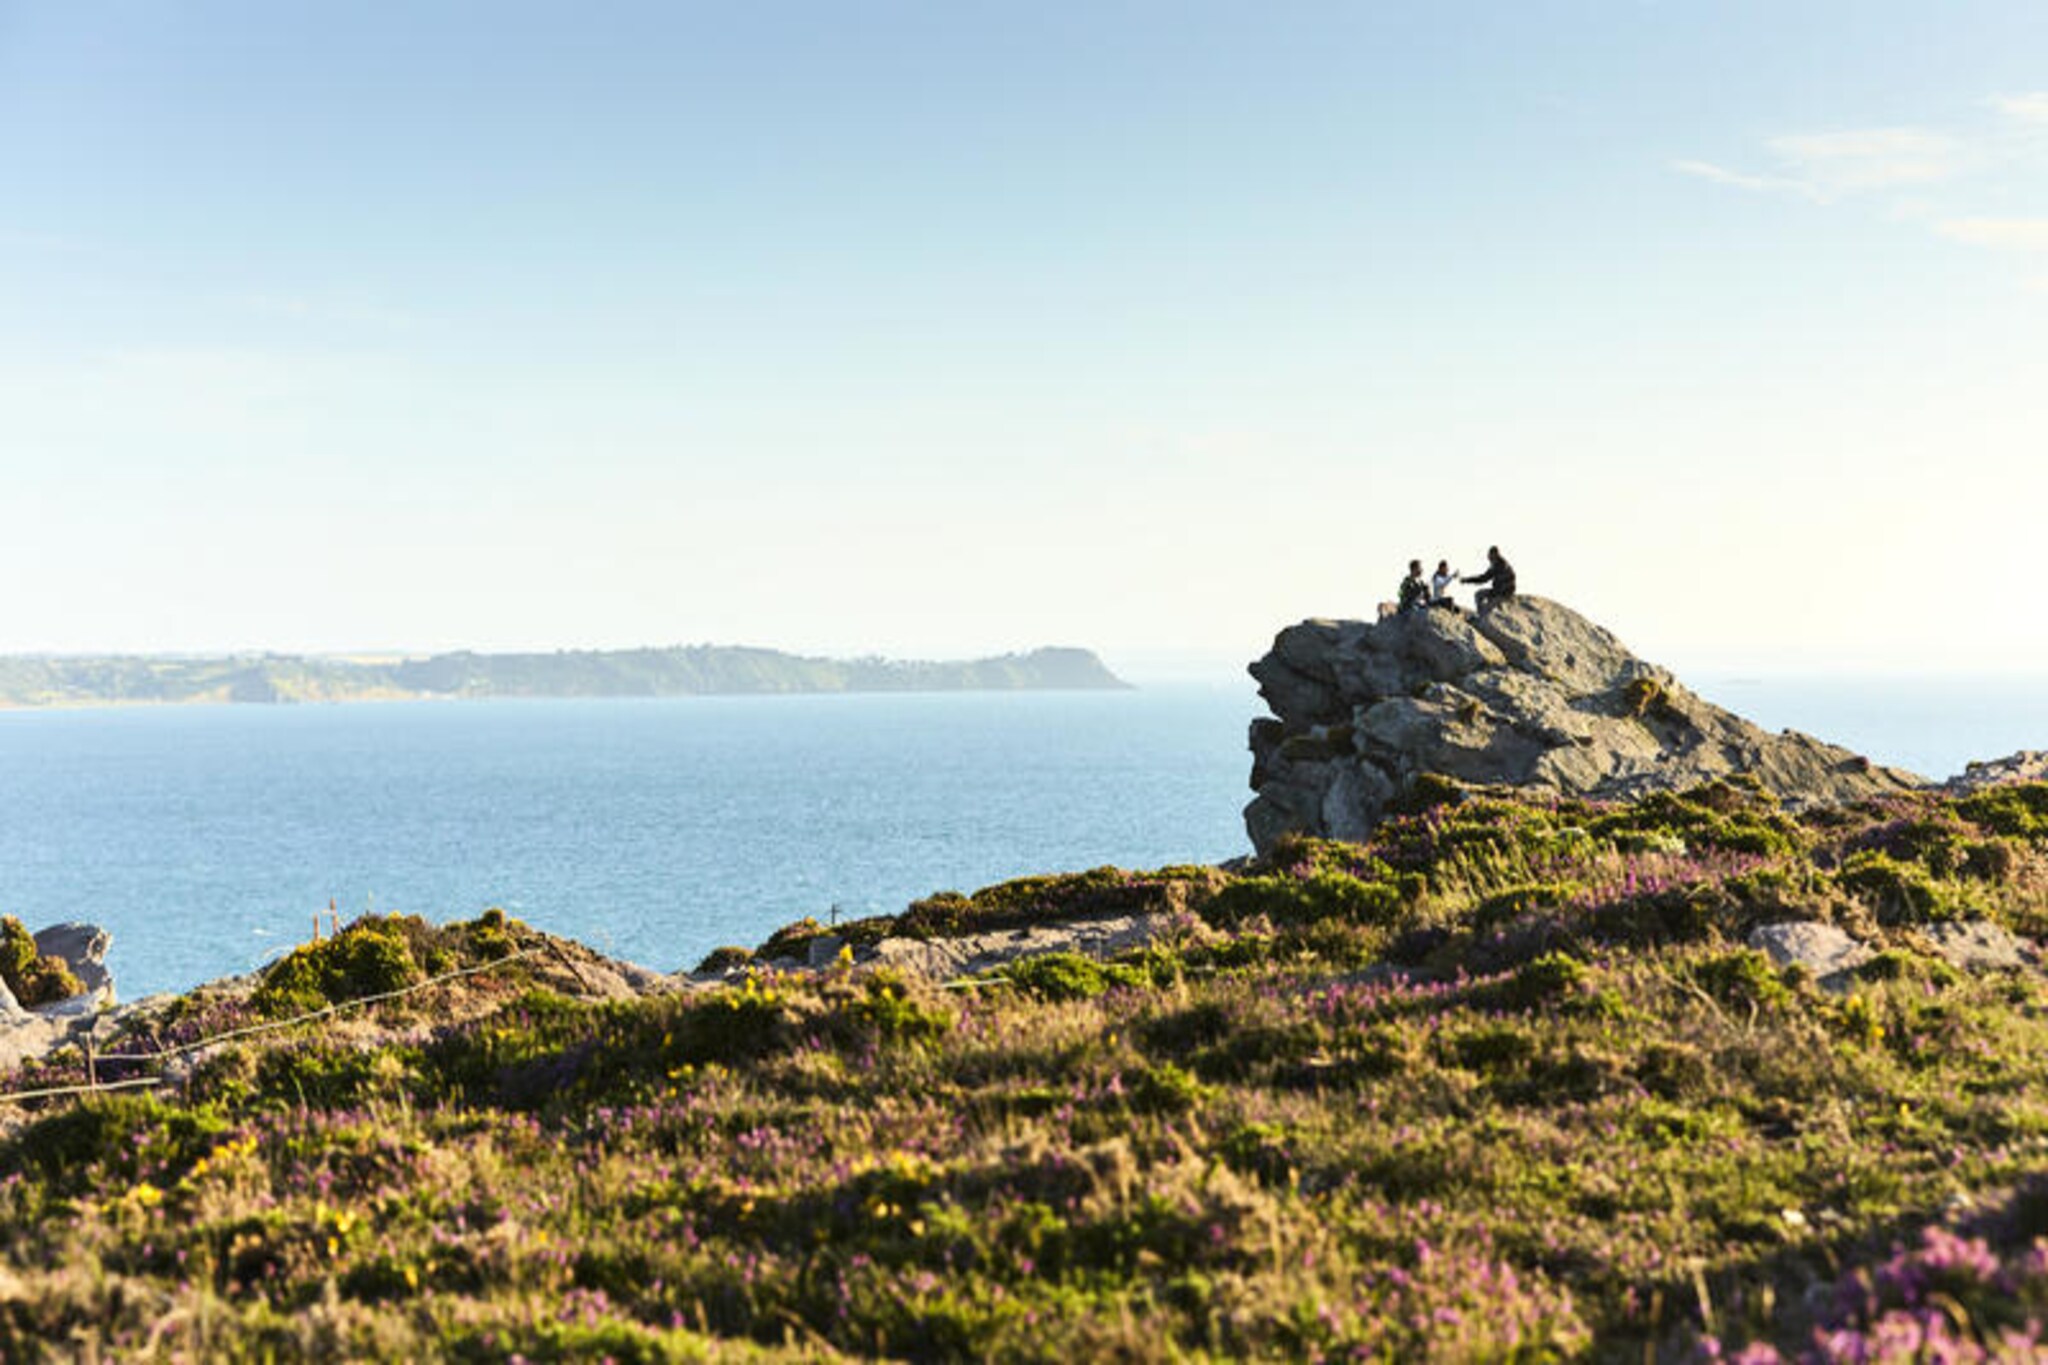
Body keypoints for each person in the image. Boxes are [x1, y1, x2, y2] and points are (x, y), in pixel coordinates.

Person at [1463, 546, 1517, 615]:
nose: (1489, 559)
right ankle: (1481, 614)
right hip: (1496, 592)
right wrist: (1467, 580)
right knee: (1478, 594)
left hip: (1504, 594)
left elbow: (1483, 579)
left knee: (1486, 608)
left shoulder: (1501, 565)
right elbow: (1483, 578)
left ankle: (1483, 616)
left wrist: (1467, 580)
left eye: (1490, 556)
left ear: (1495, 555)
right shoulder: (1495, 565)